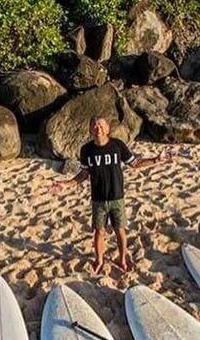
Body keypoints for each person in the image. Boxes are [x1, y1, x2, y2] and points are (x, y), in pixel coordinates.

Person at [51, 117, 171, 274]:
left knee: (120, 230)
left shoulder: (117, 145)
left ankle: (122, 259)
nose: (98, 128)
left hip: (117, 197)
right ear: (90, 130)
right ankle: (99, 259)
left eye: (101, 126)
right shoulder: (86, 150)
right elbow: (83, 175)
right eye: (94, 126)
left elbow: (135, 163)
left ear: (107, 129)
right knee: (99, 231)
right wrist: (65, 184)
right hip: (98, 199)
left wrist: (156, 159)